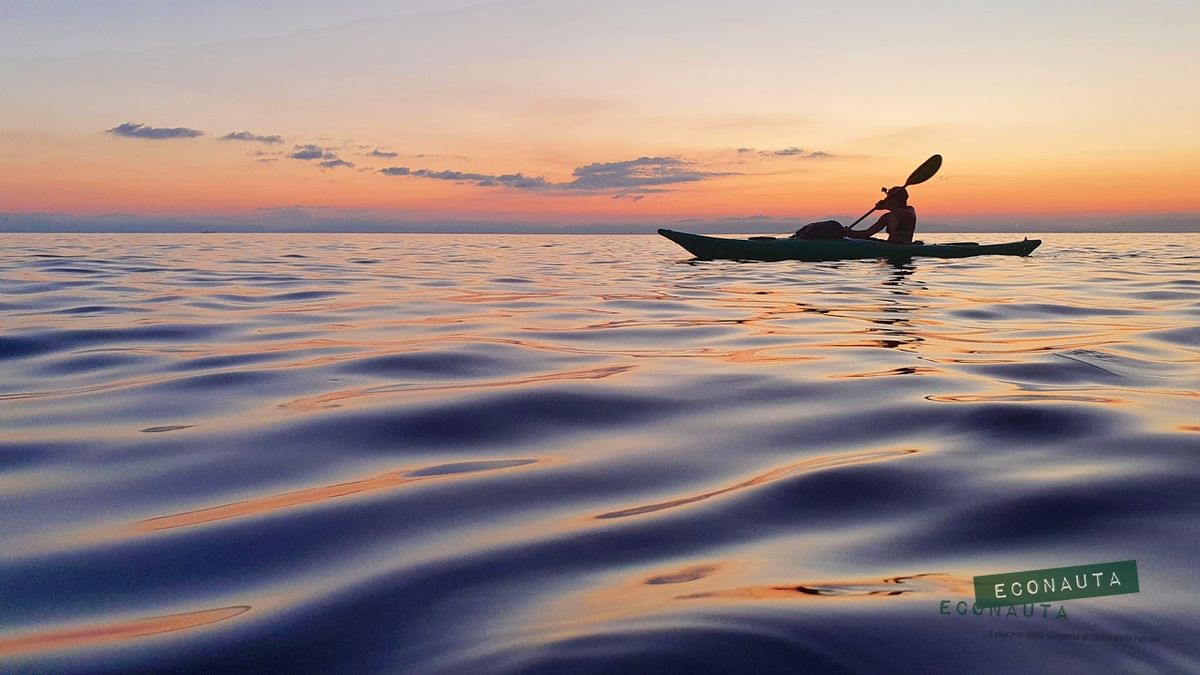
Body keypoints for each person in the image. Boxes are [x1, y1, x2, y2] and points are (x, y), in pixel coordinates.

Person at [843, 186, 917, 244]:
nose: (887, 199)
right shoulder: (886, 217)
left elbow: (908, 216)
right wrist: (850, 232)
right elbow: (867, 233)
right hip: (890, 244)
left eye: (889, 197)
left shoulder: (909, 210)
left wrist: (887, 206)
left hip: (905, 245)